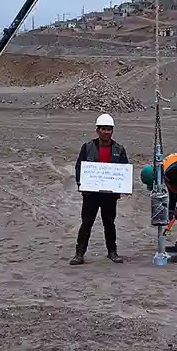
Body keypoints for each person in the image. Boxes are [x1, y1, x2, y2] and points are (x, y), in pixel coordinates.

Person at [70, 112, 130, 265]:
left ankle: (112, 252)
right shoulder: (88, 147)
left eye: (109, 129)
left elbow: (124, 169)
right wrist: (81, 184)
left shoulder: (119, 149)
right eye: (103, 129)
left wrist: (121, 187)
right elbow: (79, 167)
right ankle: (79, 254)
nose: (106, 132)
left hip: (109, 196)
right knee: (87, 223)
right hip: (91, 194)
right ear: (97, 130)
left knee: (109, 223)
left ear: (112, 130)